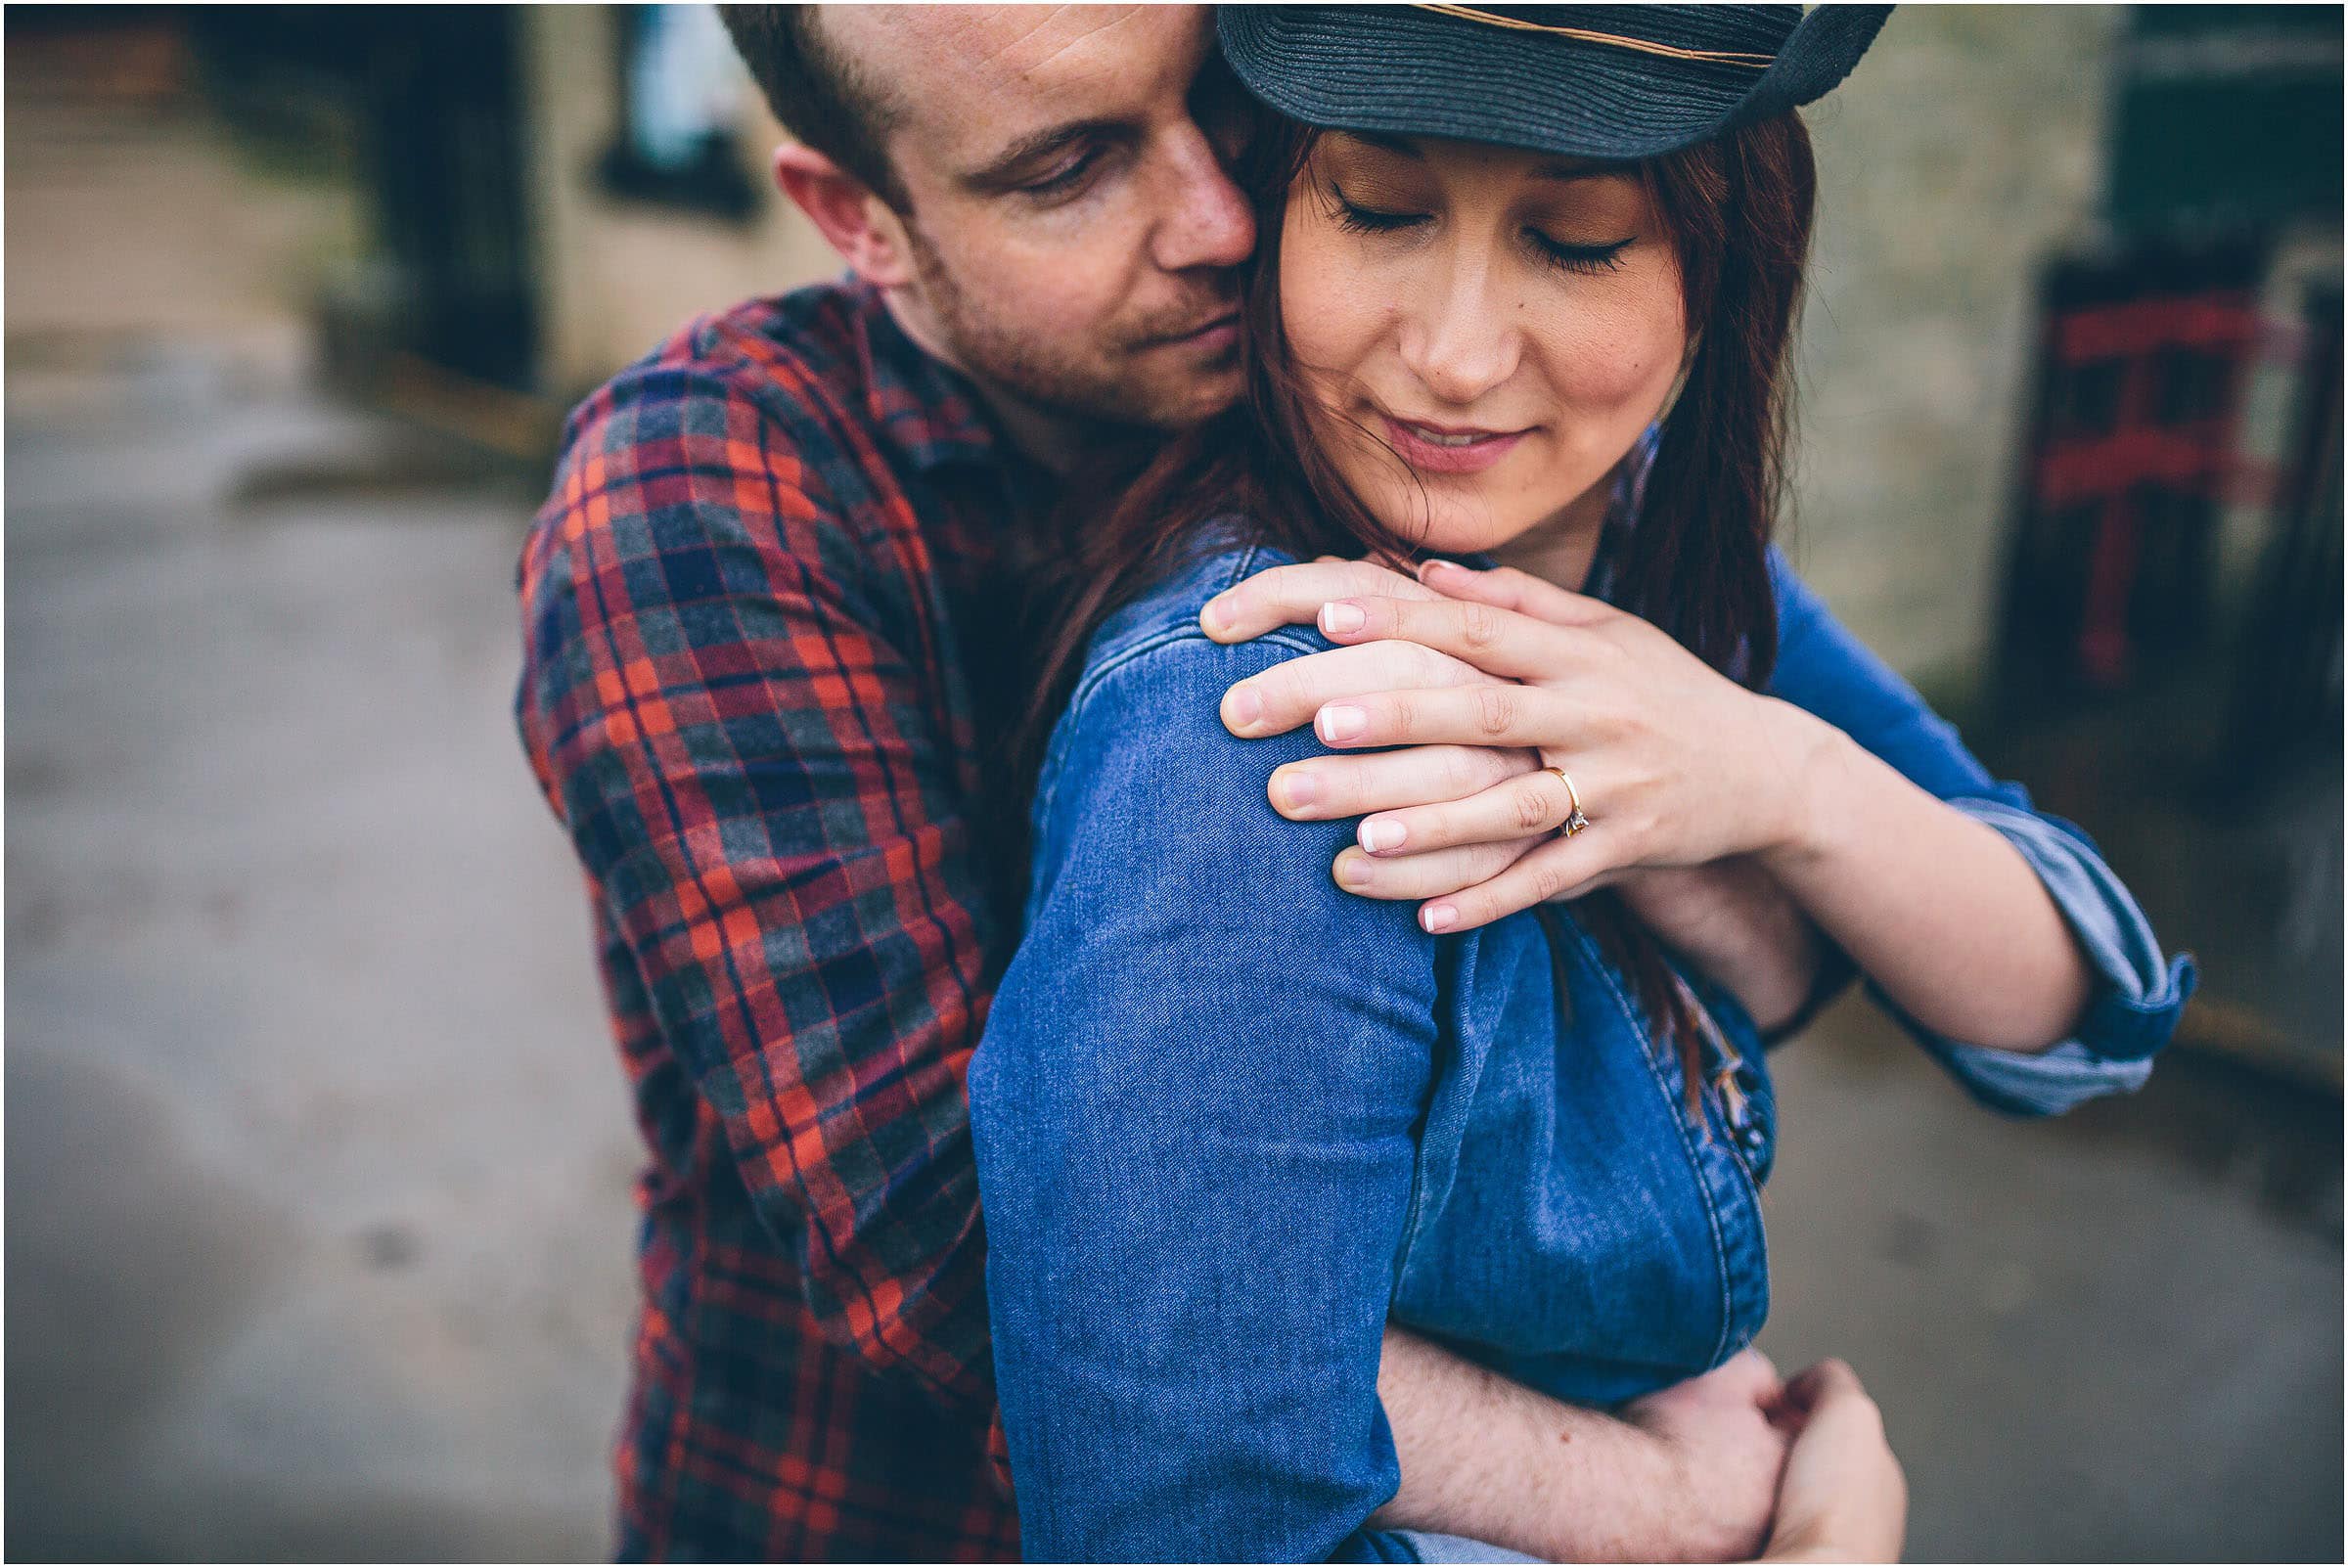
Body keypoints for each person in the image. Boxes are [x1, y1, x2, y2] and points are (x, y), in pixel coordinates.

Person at [515, 5, 1907, 1558]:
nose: (1223, 221)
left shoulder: (1382, 390)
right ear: (862, 223)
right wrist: (1656, 1504)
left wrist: (1723, 801)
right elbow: (972, 1267)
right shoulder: (708, 499)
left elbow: (1800, 926)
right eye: (1071, 168)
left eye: (1224, 104)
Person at [969, 4, 2195, 1561]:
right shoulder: (1270, 718)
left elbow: (2076, 1004)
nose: (1456, 356)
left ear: (1719, 287)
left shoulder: (1636, 525)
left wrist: (1764, 774)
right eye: (1381, 209)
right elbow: (1191, 1484)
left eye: (1577, 240)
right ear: (1277, 204)